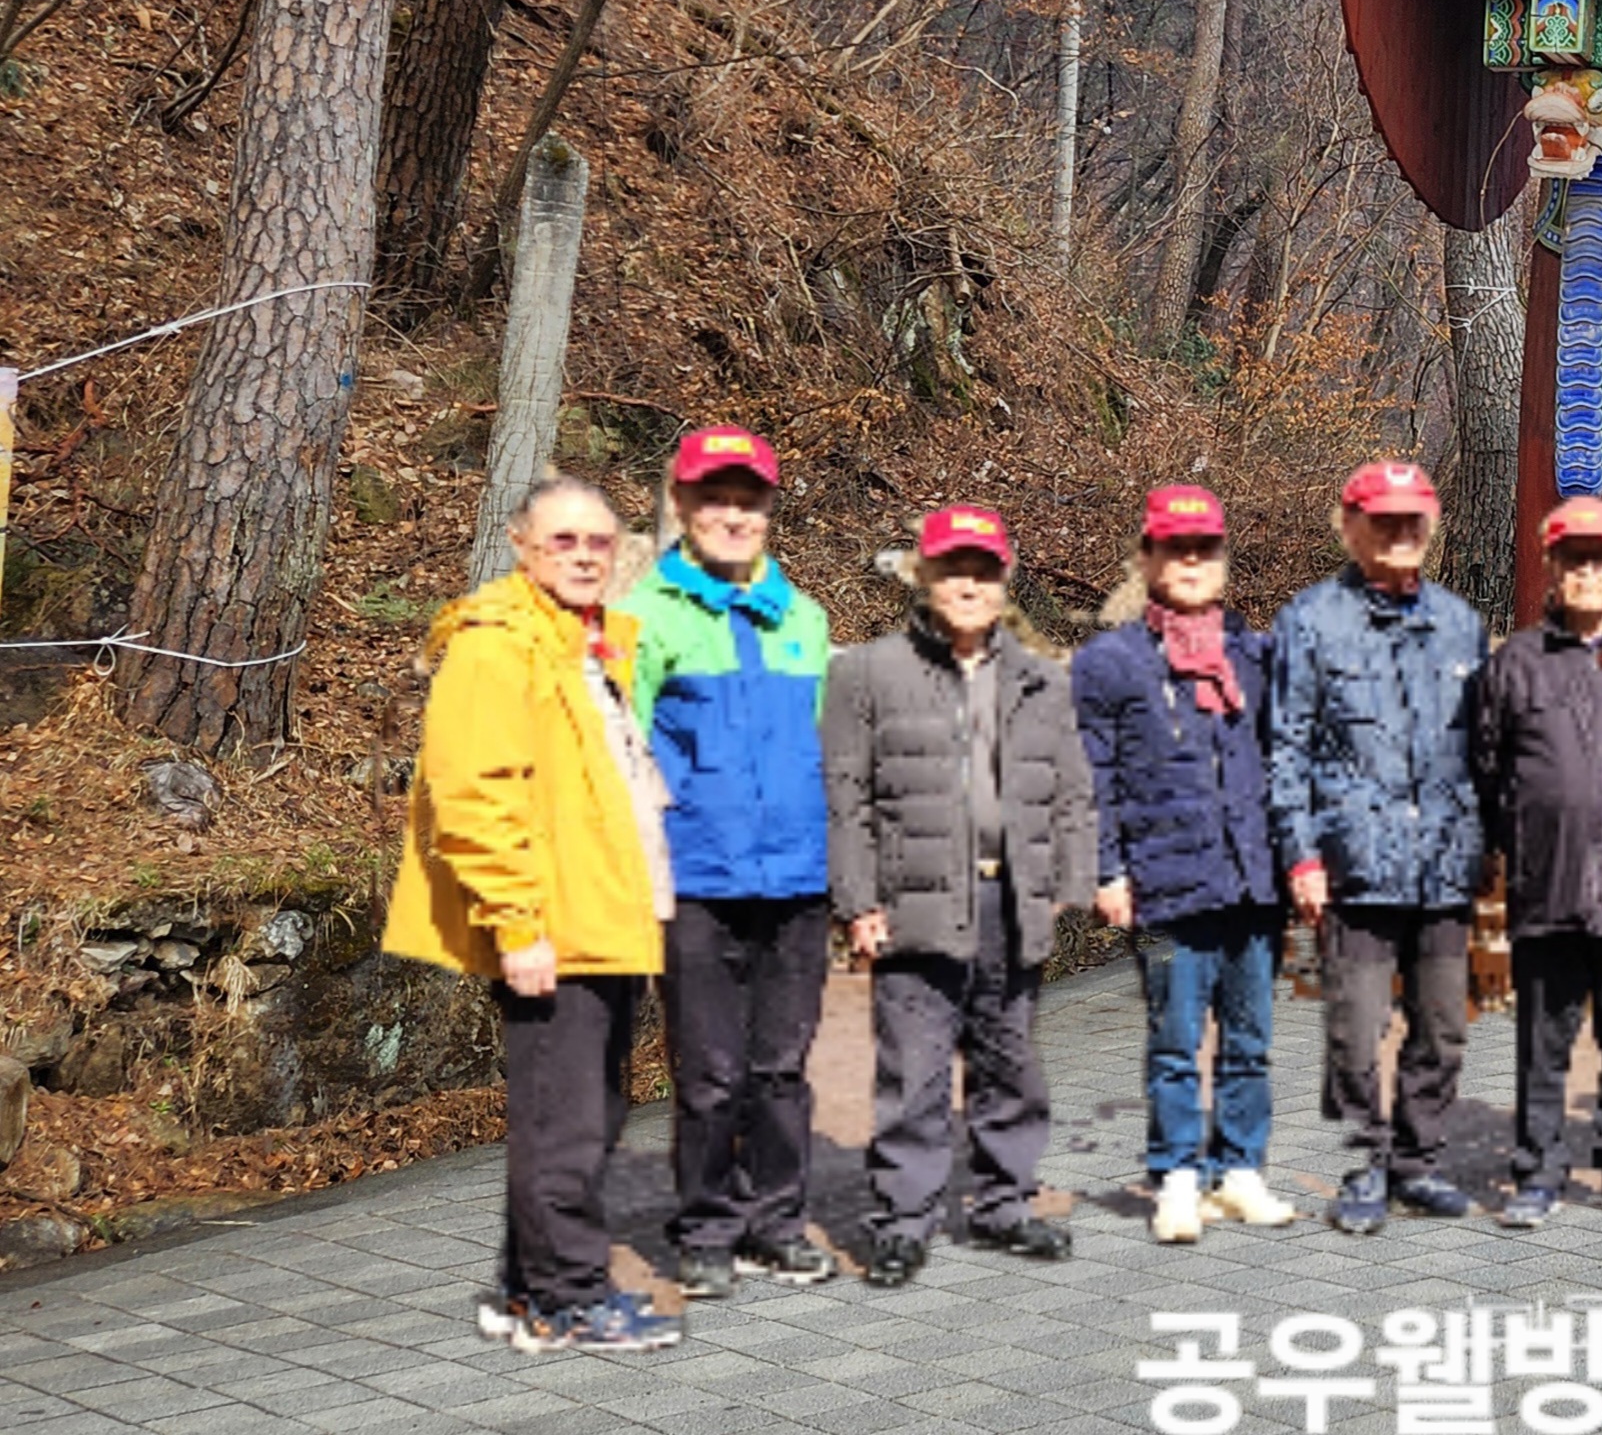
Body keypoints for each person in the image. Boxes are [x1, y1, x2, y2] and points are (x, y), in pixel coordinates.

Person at [388, 477, 676, 1354]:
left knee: (586, 1111)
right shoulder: (495, 647)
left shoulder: (587, 642)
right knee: (570, 1121)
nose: (585, 555)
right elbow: (474, 799)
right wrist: (518, 927)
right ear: (521, 545)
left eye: (599, 541)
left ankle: (530, 1287)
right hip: (555, 927)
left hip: (610, 916)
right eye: (564, 541)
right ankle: (566, 1297)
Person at [823, 504, 1096, 1283]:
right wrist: (857, 902)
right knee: (912, 1070)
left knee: (1010, 1063)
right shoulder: (866, 673)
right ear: (925, 576)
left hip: (1011, 903)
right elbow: (843, 798)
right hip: (911, 905)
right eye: (953, 570)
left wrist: (1068, 883)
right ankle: (903, 1222)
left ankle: (1005, 1205)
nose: (969, 585)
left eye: (984, 570)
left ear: (1005, 580)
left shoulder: (1043, 680)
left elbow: (1073, 792)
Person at [626, 424, 836, 1301]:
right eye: (713, 498)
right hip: (696, 883)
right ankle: (708, 1230)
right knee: (711, 1072)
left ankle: (777, 1224)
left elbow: (819, 753)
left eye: (748, 499)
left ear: (768, 509)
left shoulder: (805, 619)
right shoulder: (644, 617)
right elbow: (622, 752)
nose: (732, 514)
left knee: (782, 1069)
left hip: (797, 883)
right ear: (682, 506)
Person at [1271, 458, 1489, 1236]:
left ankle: (1416, 1164)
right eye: (1384, 520)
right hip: (1354, 865)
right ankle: (1367, 1162)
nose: (1400, 533)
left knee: (1443, 1026)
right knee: (1357, 1028)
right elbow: (1286, 749)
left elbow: (1485, 748)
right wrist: (1300, 856)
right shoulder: (1311, 621)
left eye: (1413, 520)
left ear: (1431, 528)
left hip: (1443, 866)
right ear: (1351, 527)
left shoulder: (1460, 624)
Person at [1077, 483, 1297, 1246]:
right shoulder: (1110, 662)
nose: (1192, 562)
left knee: (1249, 1039)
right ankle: (1177, 1177)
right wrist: (1106, 869)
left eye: (1205, 549)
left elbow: (1287, 762)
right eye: (1177, 549)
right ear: (1148, 559)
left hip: (1253, 881)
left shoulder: (1254, 656)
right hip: (1166, 882)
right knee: (1175, 1043)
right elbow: (1092, 776)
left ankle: (1240, 1172)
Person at [1477, 497, 1602, 1225]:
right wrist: (1510, 856)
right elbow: (1483, 771)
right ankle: (1538, 1172)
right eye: (1573, 560)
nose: (1587, 573)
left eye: (1600, 560)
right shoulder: (1516, 665)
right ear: (1554, 570)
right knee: (1544, 1043)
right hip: (1549, 890)